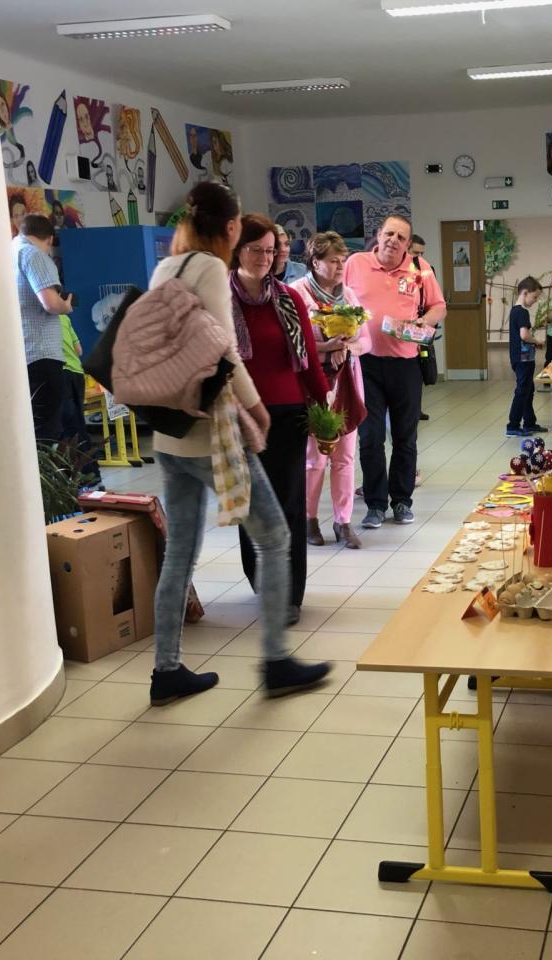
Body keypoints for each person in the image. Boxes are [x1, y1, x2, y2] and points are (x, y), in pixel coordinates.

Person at [146, 182, 330, 704]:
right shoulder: (209, 269)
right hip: (212, 434)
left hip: (170, 432)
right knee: (275, 536)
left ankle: (166, 670)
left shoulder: (166, 268)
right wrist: (257, 408)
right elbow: (225, 351)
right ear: (231, 228)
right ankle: (276, 661)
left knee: (179, 554)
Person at [231, 214, 331, 626]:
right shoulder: (220, 300)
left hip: (288, 414)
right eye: (256, 249)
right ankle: (262, 582)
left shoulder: (288, 298)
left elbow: (308, 360)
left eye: (271, 251)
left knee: (289, 504)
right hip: (240, 417)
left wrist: (324, 408)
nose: (264, 257)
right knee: (250, 504)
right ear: (237, 250)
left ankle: (290, 594)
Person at [346, 215, 446, 529]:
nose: (394, 241)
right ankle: (375, 504)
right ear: (378, 235)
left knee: (405, 437)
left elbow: (439, 306)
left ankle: (402, 501)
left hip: (406, 364)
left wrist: (424, 321)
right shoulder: (356, 263)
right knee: (370, 437)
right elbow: (337, 299)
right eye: (389, 234)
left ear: (407, 243)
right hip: (365, 364)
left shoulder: (420, 268)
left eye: (401, 237)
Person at [291, 231, 371, 550]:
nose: (340, 267)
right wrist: (326, 347)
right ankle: (309, 519)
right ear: (315, 262)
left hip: (346, 383)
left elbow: (366, 341)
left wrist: (349, 346)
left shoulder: (349, 296)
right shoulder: (298, 294)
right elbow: (294, 344)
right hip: (313, 384)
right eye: (334, 261)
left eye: (343, 261)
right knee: (315, 459)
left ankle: (343, 522)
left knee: (345, 456)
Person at [13, 215, 73, 443]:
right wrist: (65, 306)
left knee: (31, 427)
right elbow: (50, 303)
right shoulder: (35, 255)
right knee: (47, 429)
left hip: (22, 352)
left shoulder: (10, 252)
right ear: (49, 239)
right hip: (42, 352)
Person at [57, 314, 102, 489]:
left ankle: (86, 479)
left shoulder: (39, 319)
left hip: (60, 372)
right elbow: (79, 350)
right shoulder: (64, 317)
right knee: (78, 426)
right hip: (77, 373)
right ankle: (94, 477)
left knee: (68, 429)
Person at [506, 277, 546, 438]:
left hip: (519, 357)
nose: (535, 301)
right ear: (525, 293)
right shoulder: (522, 312)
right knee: (522, 391)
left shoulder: (514, 310)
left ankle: (529, 422)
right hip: (523, 359)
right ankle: (513, 425)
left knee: (528, 390)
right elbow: (524, 335)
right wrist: (537, 341)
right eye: (534, 297)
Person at [409, 234, 434, 423]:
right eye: (415, 252)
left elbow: (433, 302)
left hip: (420, 326)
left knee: (421, 368)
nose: (418, 257)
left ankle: (416, 408)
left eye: (421, 253)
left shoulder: (426, 270)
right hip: (399, 331)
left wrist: (428, 322)